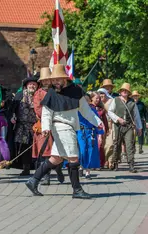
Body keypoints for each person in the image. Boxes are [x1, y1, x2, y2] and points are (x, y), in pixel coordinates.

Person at [25, 64, 102, 199]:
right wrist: (46, 128)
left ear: (64, 79)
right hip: (62, 127)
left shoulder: (76, 91)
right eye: (53, 80)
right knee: (73, 158)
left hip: (69, 127)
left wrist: (97, 122)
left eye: (57, 80)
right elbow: (47, 113)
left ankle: (33, 180)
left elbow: (85, 110)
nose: (55, 82)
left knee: (56, 158)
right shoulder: (52, 93)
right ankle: (77, 190)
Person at [33, 67, 64, 185]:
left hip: (57, 124)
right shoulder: (38, 94)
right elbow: (38, 109)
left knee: (58, 151)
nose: (46, 82)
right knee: (45, 152)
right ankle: (46, 176)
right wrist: (48, 117)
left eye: (48, 80)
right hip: (43, 125)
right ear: (41, 82)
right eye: (44, 80)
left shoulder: (57, 92)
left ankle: (58, 169)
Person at [107, 83, 143, 173]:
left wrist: (139, 128)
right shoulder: (115, 100)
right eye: (123, 90)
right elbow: (110, 112)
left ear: (128, 92)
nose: (124, 92)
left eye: (126, 91)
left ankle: (131, 164)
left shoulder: (132, 103)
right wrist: (118, 119)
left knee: (129, 145)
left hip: (128, 126)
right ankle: (115, 163)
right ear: (120, 92)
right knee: (117, 144)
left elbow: (136, 116)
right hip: (118, 125)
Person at [10, 76, 38, 176]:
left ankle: (38, 168)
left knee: (37, 147)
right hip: (22, 126)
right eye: (30, 84)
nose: (32, 86)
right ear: (26, 85)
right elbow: (13, 108)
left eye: (34, 84)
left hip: (37, 126)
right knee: (24, 148)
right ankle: (26, 168)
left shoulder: (39, 95)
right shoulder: (20, 95)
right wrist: (12, 116)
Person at [77, 94, 104, 180]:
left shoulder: (93, 110)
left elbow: (98, 122)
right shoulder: (78, 110)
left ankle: (87, 172)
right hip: (81, 132)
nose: (86, 101)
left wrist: (100, 135)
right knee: (82, 150)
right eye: (84, 100)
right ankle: (81, 166)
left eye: (87, 100)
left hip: (91, 132)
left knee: (90, 151)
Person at [90, 92, 109, 169]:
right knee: (92, 146)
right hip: (90, 129)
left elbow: (105, 120)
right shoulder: (88, 107)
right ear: (92, 98)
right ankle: (92, 163)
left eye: (99, 98)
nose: (98, 100)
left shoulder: (101, 109)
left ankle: (100, 163)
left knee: (100, 146)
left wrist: (107, 129)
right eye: (96, 98)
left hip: (99, 129)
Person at [97, 88, 114, 168]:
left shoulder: (111, 102)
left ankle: (110, 161)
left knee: (110, 144)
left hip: (110, 126)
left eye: (102, 93)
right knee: (101, 145)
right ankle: (104, 161)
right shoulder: (96, 104)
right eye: (99, 94)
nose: (101, 95)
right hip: (100, 127)